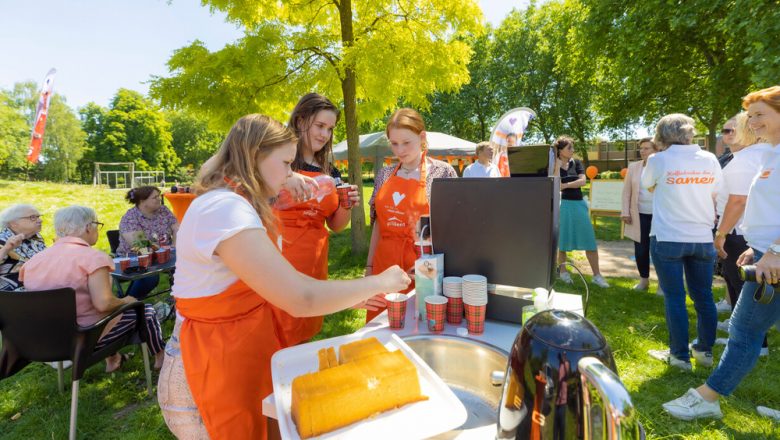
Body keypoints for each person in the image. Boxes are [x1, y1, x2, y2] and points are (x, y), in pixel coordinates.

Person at [157, 114, 410, 439]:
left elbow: (268, 285)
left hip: (242, 355)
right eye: (287, 163)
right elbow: (299, 297)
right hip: (207, 369)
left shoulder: (239, 203)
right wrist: (382, 281)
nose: (292, 174)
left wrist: (351, 297)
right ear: (254, 156)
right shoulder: (225, 209)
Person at [662, 86, 780, 420]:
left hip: (775, 260)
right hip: (765, 255)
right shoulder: (770, 153)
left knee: (744, 331)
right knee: (748, 330)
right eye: (750, 115)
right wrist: (755, 248)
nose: (752, 121)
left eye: (760, 114)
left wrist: (772, 251)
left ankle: (708, 398)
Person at [19, 206, 165, 372]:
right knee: (145, 311)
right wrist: (127, 300)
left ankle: (114, 359)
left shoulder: (31, 263)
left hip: (47, 340)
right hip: (86, 337)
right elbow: (104, 304)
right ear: (88, 227)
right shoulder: (93, 258)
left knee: (94, 310)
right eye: (97, 224)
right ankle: (161, 357)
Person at [272, 93, 360, 346]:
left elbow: (335, 224)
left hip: (314, 261)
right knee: (276, 332)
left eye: (330, 129)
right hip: (278, 258)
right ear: (300, 121)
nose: (325, 134)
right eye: (320, 126)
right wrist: (286, 177)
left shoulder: (330, 171)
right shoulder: (277, 159)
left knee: (304, 330)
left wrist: (347, 204)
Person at [642, 113, 722, 371]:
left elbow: (649, 187)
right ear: (689, 132)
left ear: (661, 135)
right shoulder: (709, 159)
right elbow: (716, 193)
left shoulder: (657, 159)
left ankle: (679, 356)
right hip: (701, 237)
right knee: (704, 296)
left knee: (675, 297)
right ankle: (704, 351)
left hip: (668, 237)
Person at [365, 108, 457, 322]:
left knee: (424, 321)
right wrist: (369, 267)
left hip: (425, 265)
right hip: (384, 264)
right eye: (394, 143)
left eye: (406, 142)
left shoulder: (442, 172)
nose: (400, 150)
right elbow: (378, 224)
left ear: (422, 136)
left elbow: (453, 229)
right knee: (382, 325)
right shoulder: (385, 174)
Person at [713, 112, 773, 354]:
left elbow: (737, 201)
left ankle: (754, 344)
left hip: (739, 233)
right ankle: (753, 341)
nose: (727, 135)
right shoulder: (761, 155)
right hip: (750, 233)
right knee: (744, 288)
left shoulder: (746, 159)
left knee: (743, 288)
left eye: (731, 129)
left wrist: (721, 234)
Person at [554, 136, 610, 288]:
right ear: (560, 151)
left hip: (579, 204)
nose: (572, 150)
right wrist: (557, 168)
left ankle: (597, 276)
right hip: (563, 205)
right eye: (569, 148)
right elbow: (555, 184)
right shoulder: (554, 165)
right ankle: (563, 272)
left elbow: (583, 181)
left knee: (589, 241)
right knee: (563, 242)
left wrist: (566, 185)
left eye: (572, 147)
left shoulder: (577, 163)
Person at [117, 186, 179, 299]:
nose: (159, 199)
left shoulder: (163, 210)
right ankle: (127, 305)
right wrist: (165, 251)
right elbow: (140, 246)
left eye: (159, 196)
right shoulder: (130, 218)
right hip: (135, 258)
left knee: (186, 267)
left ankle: (181, 299)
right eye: (155, 197)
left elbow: (177, 228)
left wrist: (174, 246)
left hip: (165, 253)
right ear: (142, 201)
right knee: (150, 278)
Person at [621, 138, 662, 292]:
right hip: (639, 214)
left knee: (659, 250)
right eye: (641, 148)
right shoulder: (634, 167)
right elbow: (626, 192)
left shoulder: (663, 166)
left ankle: (661, 284)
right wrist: (625, 211)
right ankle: (644, 280)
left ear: (656, 150)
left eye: (647, 148)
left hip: (660, 215)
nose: (643, 151)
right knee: (641, 249)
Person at [0, 204, 46, 291]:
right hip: (11, 296)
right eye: (33, 217)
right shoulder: (2, 240)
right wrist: (5, 249)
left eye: (39, 216)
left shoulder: (35, 238)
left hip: (38, 290)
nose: (40, 220)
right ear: (13, 223)